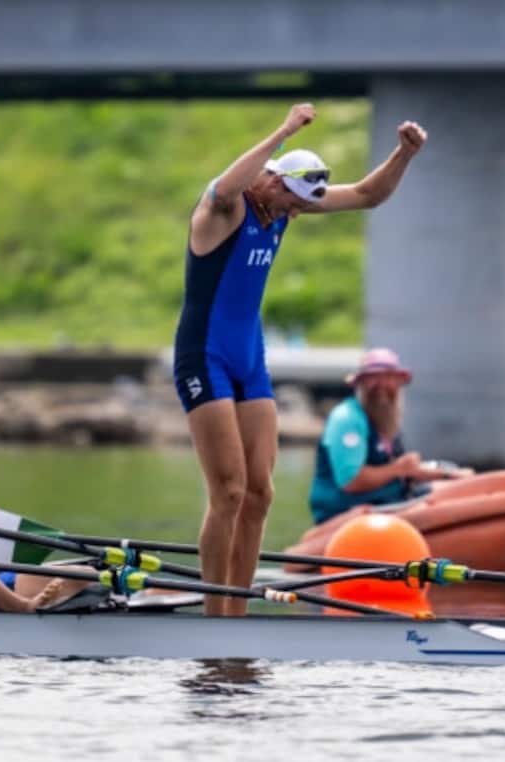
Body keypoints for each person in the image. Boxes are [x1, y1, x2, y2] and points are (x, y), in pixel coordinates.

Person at [172, 102, 428, 615]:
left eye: (300, 205)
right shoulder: (227, 208)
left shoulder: (285, 203)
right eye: (291, 199)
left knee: (260, 493)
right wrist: (285, 132)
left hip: (249, 358)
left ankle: (237, 616)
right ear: (271, 180)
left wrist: (404, 153)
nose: (294, 212)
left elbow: (366, 194)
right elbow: (223, 186)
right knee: (228, 490)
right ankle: (211, 615)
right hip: (205, 356)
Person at [308, 347, 473, 525]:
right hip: (347, 512)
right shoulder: (348, 419)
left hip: (387, 500)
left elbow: (402, 470)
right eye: (374, 378)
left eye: (388, 378)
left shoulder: (383, 420)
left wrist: (447, 474)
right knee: (446, 496)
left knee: (458, 488)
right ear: (361, 383)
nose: (382, 385)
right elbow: (351, 480)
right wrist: (399, 469)